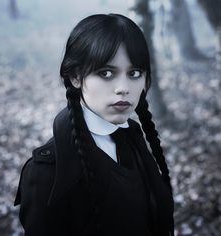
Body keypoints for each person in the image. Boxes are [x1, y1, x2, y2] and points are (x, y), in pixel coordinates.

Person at [14, 13, 174, 236]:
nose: (123, 88)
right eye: (106, 73)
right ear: (76, 76)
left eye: (134, 73)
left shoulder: (133, 138)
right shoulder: (46, 172)